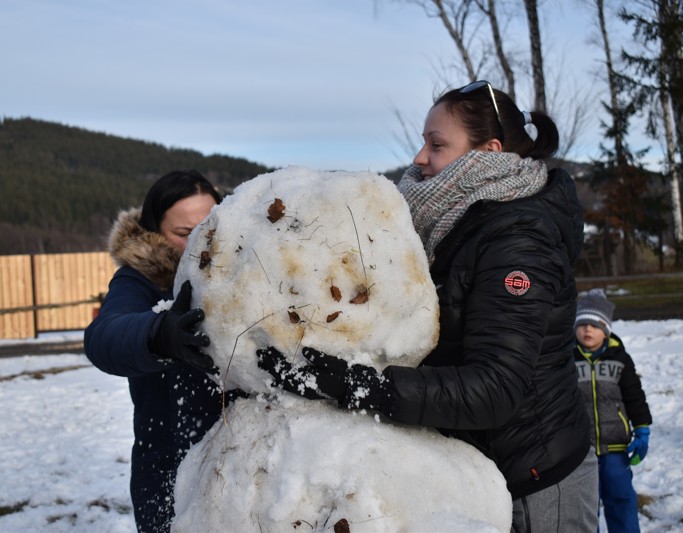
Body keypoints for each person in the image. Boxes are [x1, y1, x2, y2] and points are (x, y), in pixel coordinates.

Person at [257, 80, 598, 532]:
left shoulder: (518, 239)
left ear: (489, 153)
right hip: (475, 470)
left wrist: (354, 386)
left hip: (534, 481)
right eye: (423, 142)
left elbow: (494, 387)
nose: (420, 158)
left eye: (436, 145)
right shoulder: (450, 224)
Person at [84, 169, 227, 532]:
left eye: (209, 226)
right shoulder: (141, 282)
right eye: (183, 234)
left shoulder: (242, 274)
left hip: (242, 463)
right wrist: (157, 334)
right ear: (155, 234)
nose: (200, 241)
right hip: (169, 473)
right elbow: (104, 336)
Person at [574, 288, 652, 533]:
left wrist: (642, 429)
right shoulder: (567, 360)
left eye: (595, 325)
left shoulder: (620, 358)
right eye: (583, 324)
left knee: (621, 501)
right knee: (584, 508)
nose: (588, 330)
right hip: (579, 452)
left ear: (606, 330)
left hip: (616, 450)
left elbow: (634, 396)